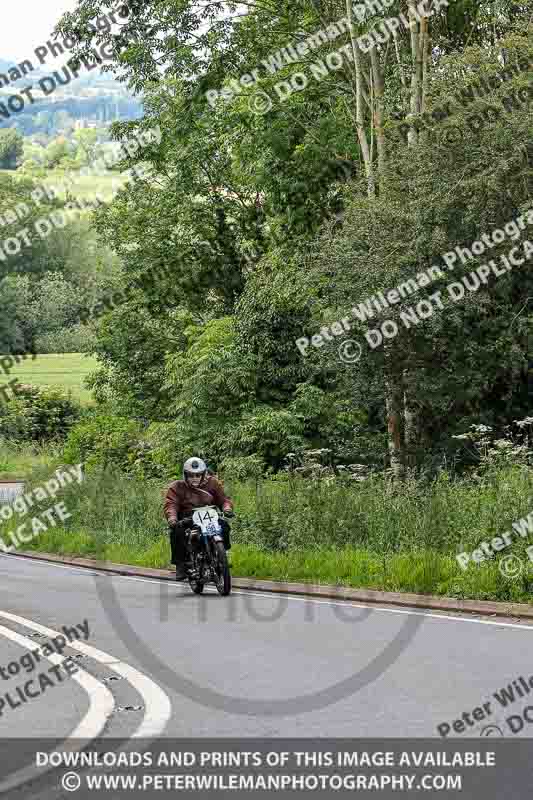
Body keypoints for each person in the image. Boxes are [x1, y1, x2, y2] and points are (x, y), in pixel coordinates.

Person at [164, 456, 234, 580]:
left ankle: (222, 555)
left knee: (224, 526)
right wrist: (172, 518)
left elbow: (223, 499)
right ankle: (181, 564)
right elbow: (171, 504)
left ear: (203, 474)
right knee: (177, 532)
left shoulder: (213, 483)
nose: (194, 478)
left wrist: (227, 508)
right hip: (188, 519)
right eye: (191, 475)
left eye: (198, 475)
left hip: (209, 517)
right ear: (185, 475)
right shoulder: (176, 487)